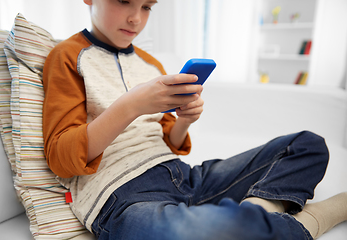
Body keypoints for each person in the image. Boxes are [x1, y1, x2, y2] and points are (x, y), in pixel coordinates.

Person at [42, 0, 347, 239]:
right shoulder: (67, 56)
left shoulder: (150, 64)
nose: (136, 18)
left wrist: (184, 121)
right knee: (204, 232)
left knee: (308, 145)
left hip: (185, 177)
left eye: (147, 6)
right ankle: (309, 219)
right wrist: (130, 105)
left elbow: (168, 143)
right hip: (124, 197)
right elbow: (61, 158)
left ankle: (254, 216)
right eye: (123, 1)